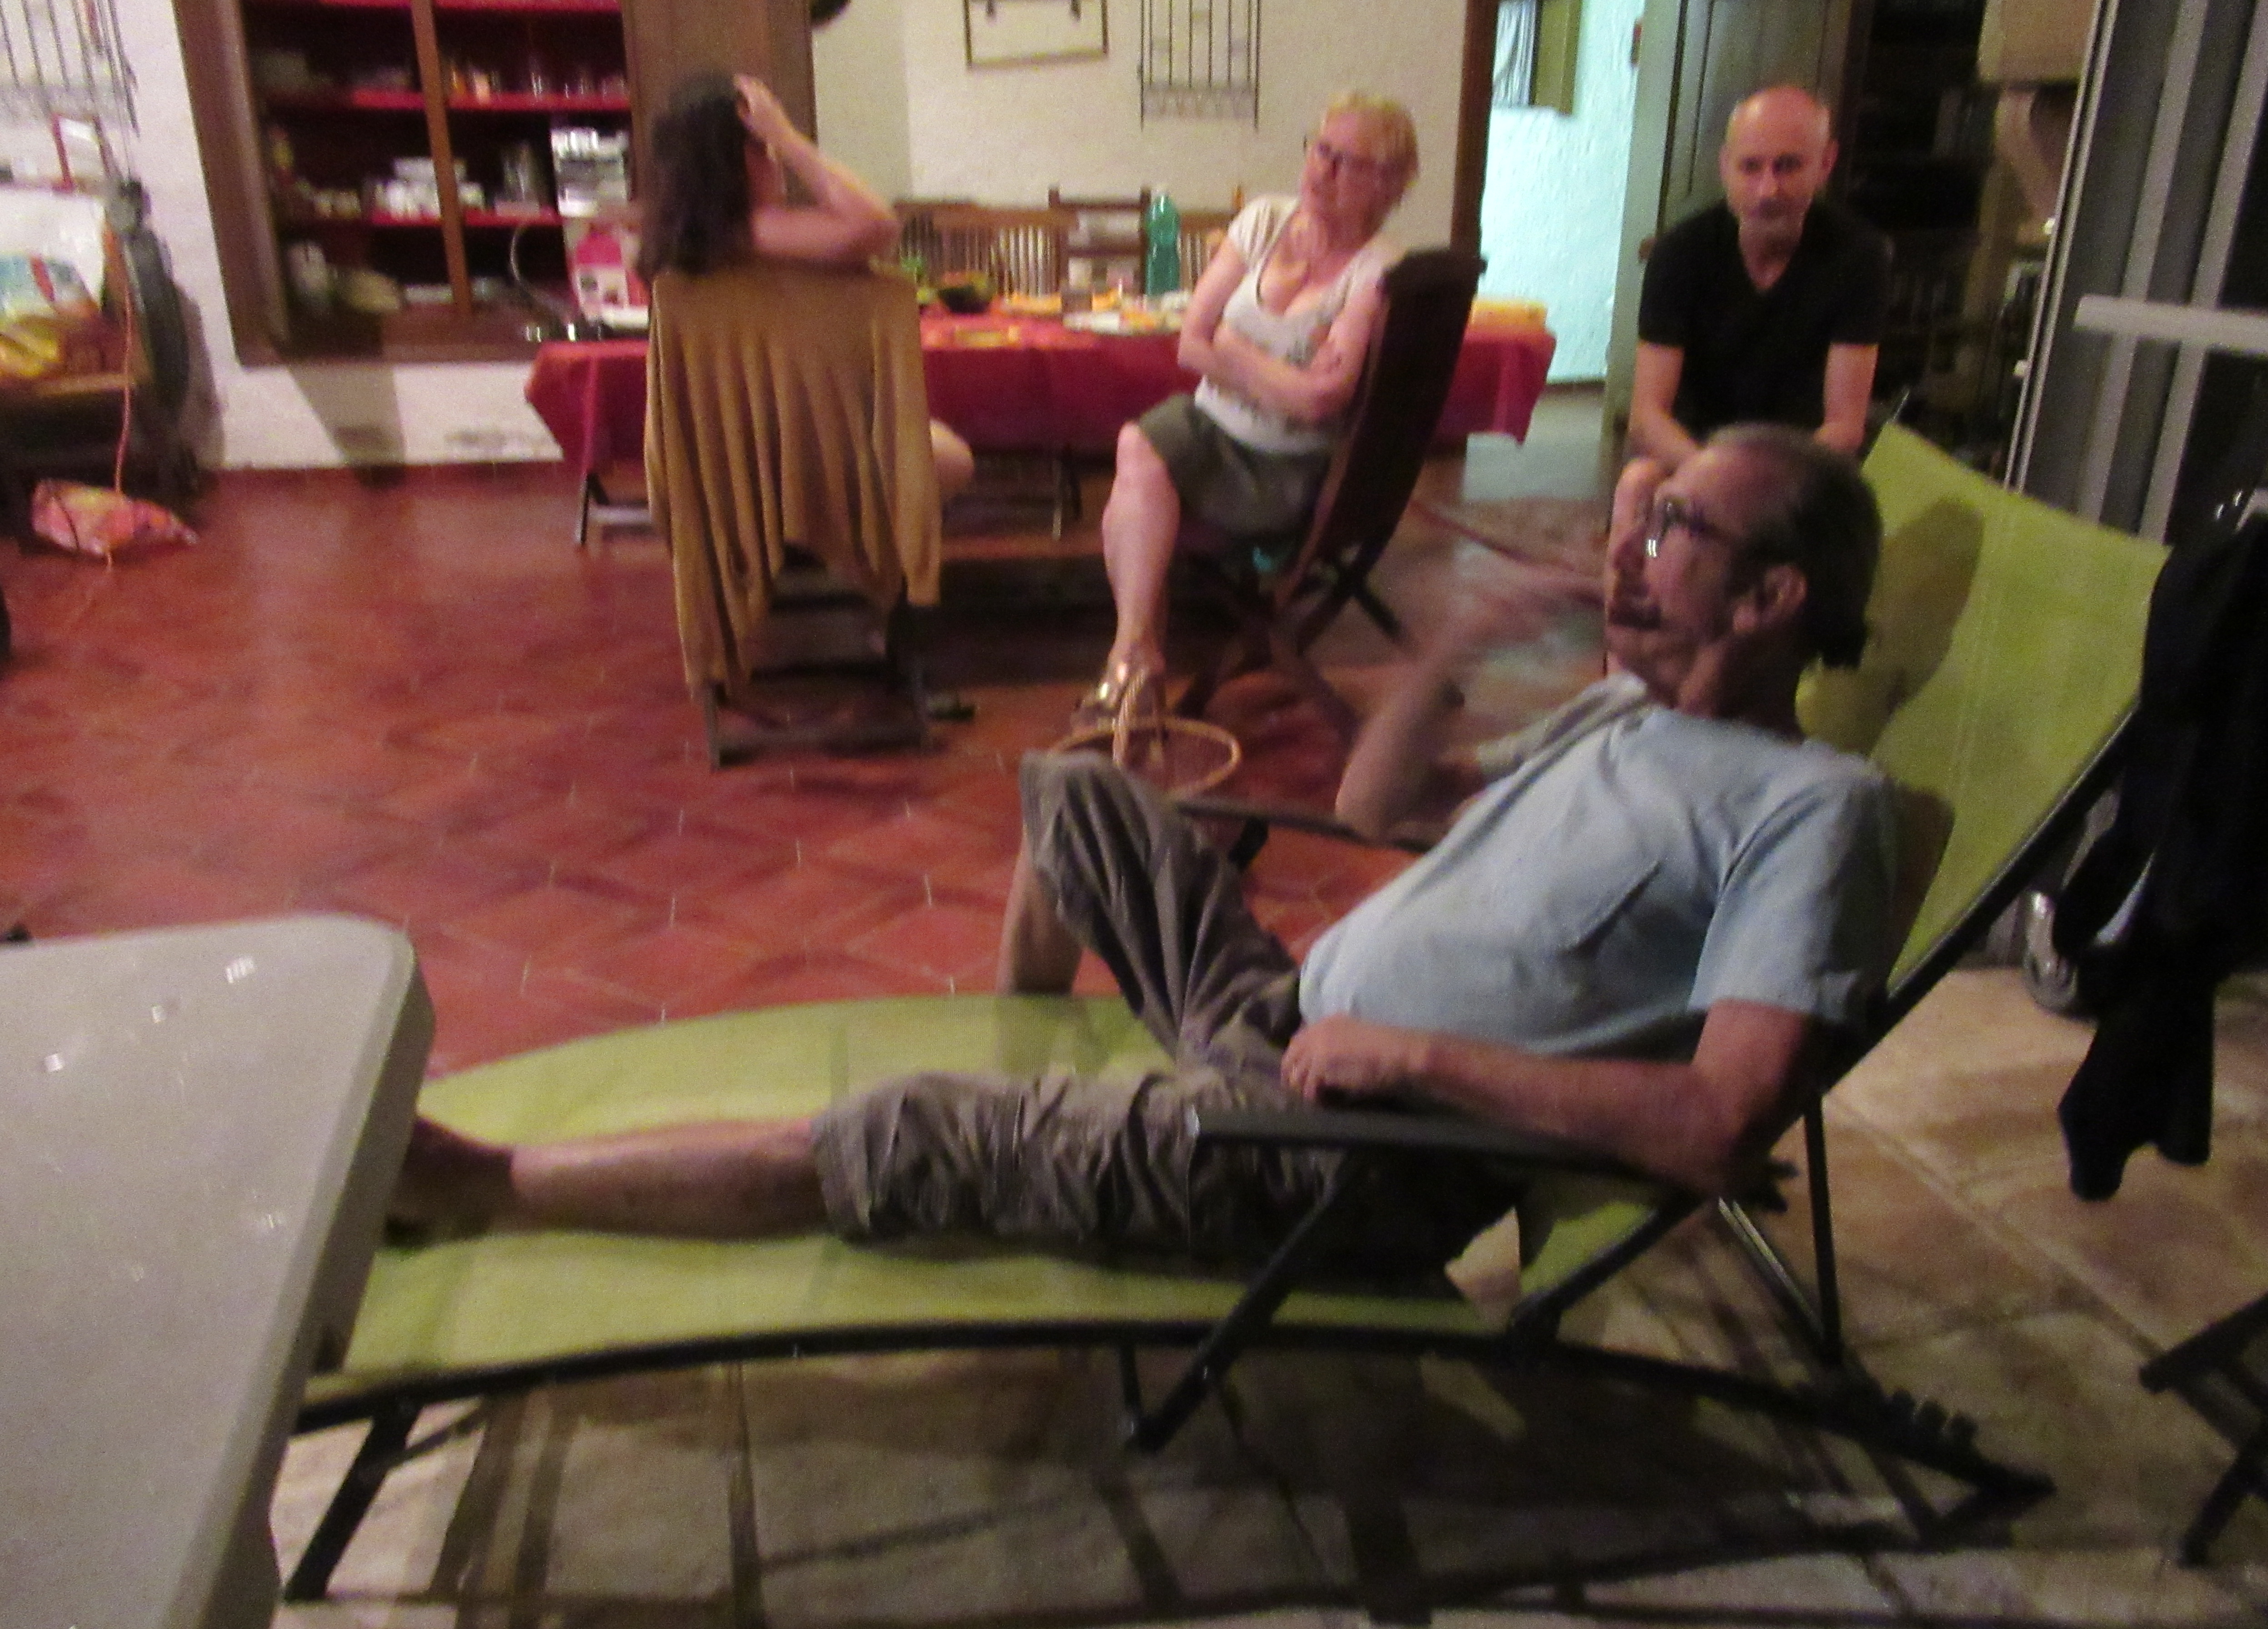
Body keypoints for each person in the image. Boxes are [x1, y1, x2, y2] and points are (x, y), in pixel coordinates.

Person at [399, 425, 1896, 1282]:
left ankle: (485, 1187)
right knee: (1083, 788)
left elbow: (1716, 1125)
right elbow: (1380, 803)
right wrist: (1462, 643)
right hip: (1290, 1026)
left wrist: (1411, 1061)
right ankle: (1038, 1077)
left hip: (1349, 1153)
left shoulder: (1809, 811)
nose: (1628, 543)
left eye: (1672, 525)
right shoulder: (1623, 715)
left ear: (1770, 598)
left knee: (914, 1130)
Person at [1076, 93, 1418, 732]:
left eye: (1348, 162)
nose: (1322, 170)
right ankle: (1136, 653)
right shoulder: (1264, 219)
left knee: (1134, 487)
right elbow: (1189, 343)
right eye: (1321, 150)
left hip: (1284, 468)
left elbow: (1320, 401)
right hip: (1209, 428)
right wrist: (1279, 375)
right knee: (1137, 448)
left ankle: (1132, 669)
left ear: (1388, 182)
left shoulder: (1379, 267)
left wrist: (1231, 348)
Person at [637, 71, 975, 498]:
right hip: (804, 456)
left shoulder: (673, 248)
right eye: (763, 146)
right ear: (735, 160)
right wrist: (790, 139)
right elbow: (877, 225)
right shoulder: (751, 235)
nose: (776, 159)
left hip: (712, 466)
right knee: (951, 454)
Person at [1630, 86, 1891, 468]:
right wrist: (1715, 475)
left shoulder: (1859, 257)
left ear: (1826, 164)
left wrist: (1758, 485)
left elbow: (1844, 428)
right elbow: (1647, 416)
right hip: (1696, 456)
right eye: (1750, 167)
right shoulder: (1679, 253)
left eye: (1788, 166)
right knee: (1637, 482)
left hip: (1799, 466)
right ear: (1725, 166)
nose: (1768, 190)